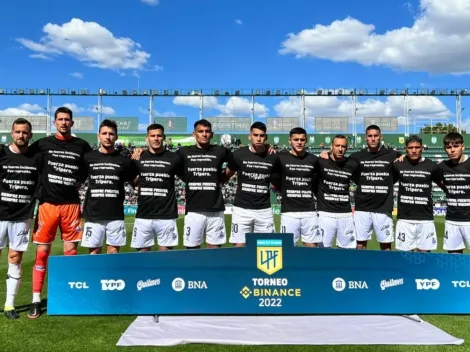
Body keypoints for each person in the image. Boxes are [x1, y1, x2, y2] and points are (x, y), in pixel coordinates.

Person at [28, 106, 92, 319]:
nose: (64, 122)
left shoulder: (81, 145)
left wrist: (78, 182)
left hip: (71, 205)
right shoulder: (43, 143)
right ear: (55, 122)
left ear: (72, 123)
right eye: (60, 119)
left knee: (70, 254)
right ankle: (36, 299)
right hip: (47, 205)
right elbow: (25, 158)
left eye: (67, 120)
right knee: (42, 253)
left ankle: (69, 296)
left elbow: (87, 169)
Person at [0, 118, 41, 319]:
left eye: (25, 132)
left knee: (15, 258)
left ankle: (9, 305)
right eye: (17, 132)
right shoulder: (2, 153)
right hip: (0, 215)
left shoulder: (36, 158)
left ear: (30, 135)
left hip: (22, 216)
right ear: (11, 133)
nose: (21, 135)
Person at [80, 119, 137, 254]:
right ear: (98, 136)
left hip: (115, 214)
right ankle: (95, 276)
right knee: (93, 253)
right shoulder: (88, 157)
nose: (107, 137)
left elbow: (134, 182)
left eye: (111, 134)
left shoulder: (124, 160)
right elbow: (79, 180)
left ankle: (110, 276)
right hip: (93, 214)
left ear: (116, 136)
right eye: (104, 133)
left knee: (113, 254)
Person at [178, 119, 231, 249]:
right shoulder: (183, 152)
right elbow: (168, 162)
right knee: (192, 250)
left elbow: (237, 161)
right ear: (194, 134)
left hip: (215, 209)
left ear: (212, 134)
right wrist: (140, 150)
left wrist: (223, 178)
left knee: (214, 250)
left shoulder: (220, 151)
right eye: (201, 131)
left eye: (207, 131)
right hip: (193, 210)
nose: (204, 134)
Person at [223, 122, 277, 247]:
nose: (258, 138)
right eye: (255, 135)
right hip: (242, 209)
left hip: (264, 210)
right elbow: (226, 175)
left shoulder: (273, 156)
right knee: (239, 246)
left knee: (266, 247)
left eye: (262, 136)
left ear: (266, 137)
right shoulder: (238, 154)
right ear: (249, 136)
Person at [131, 123, 182, 251]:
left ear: (164, 137)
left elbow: (186, 177)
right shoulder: (138, 156)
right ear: (147, 138)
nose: (156, 138)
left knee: (165, 257)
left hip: (167, 215)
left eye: (159, 135)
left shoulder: (174, 158)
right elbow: (131, 180)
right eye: (152, 135)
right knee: (143, 255)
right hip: (144, 214)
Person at [273, 127, 321, 247]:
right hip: (289, 212)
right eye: (296, 139)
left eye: (302, 139)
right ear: (289, 140)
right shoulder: (280, 158)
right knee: (287, 249)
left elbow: (315, 182)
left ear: (306, 140)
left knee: (311, 248)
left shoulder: (314, 160)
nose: (299, 142)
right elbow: (274, 178)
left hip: (309, 211)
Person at [393, 135, 441, 252]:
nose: (414, 150)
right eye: (410, 148)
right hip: (405, 219)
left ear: (422, 148)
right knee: (405, 259)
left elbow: (443, 184)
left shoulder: (431, 166)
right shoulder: (398, 164)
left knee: (424, 259)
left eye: (417, 147)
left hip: (425, 219)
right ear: (406, 149)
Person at [316, 135, 358, 249]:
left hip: (345, 214)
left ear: (347, 148)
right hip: (325, 214)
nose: (340, 149)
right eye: (337, 145)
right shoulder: (321, 161)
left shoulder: (352, 164)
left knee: (348, 251)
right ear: (331, 146)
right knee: (322, 251)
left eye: (343, 146)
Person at [438, 132, 470, 253]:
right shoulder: (442, 167)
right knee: (453, 261)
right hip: (452, 220)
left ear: (463, 146)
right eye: (448, 147)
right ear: (445, 149)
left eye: (456, 146)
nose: (452, 150)